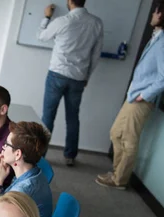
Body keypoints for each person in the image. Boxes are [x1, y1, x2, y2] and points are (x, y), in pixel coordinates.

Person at [96, 1, 164, 190]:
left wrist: (145, 95)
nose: (152, 15)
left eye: (155, 12)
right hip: (134, 96)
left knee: (129, 140)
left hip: (141, 100)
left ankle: (119, 180)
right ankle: (117, 173)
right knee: (116, 133)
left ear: (162, 16)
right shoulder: (159, 37)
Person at [38, 0, 104, 166]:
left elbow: (42, 36)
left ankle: (40, 155)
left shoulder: (61, 21)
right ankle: (70, 156)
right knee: (73, 117)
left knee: (48, 117)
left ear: (69, 1)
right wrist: (87, 76)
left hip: (57, 75)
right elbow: (96, 54)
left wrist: (46, 17)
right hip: (79, 78)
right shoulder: (96, 23)